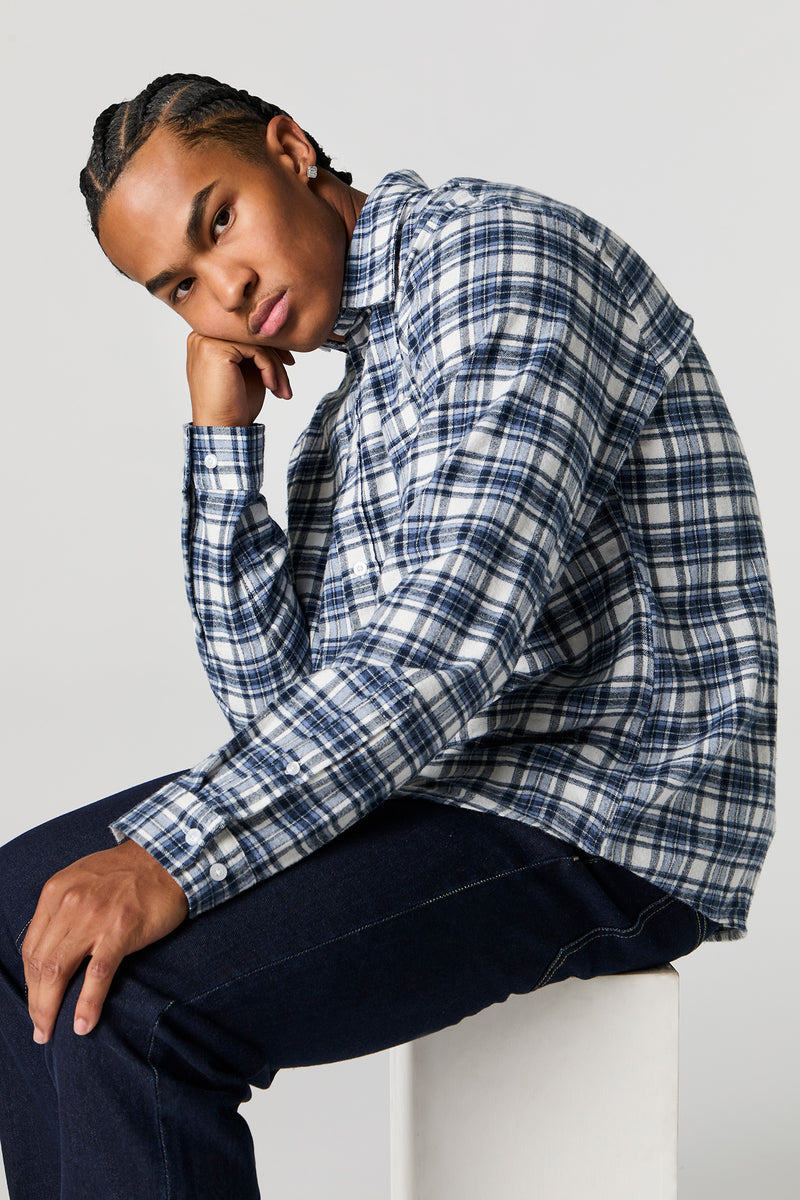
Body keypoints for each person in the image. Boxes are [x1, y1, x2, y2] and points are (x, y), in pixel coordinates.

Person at [0, 72, 777, 1199]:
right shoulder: (348, 411)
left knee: (132, 998)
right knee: (19, 909)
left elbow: (437, 659)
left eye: (220, 222)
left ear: (290, 148)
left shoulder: (501, 266)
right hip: (447, 791)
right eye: (181, 287)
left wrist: (167, 855)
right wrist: (221, 448)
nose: (227, 288)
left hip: (605, 811)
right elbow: (280, 715)